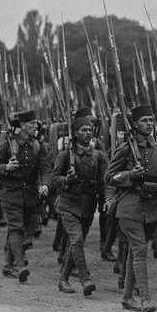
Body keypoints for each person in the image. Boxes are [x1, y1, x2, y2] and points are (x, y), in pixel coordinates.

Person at [105, 104, 157, 312]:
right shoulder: (126, 148)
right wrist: (130, 174)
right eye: (145, 120)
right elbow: (109, 177)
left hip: (152, 208)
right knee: (139, 249)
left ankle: (127, 297)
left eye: (151, 120)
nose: (149, 124)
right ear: (135, 124)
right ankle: (145, 298)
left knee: (134, 251)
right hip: (129, 206)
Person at [0, 109, 52, 282]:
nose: (36, 126)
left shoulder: (39, 146)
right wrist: (6, 168)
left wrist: (45, 184)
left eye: (36, 123)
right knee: (17, 228)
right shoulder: (8, 144)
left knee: (20, 229)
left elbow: (45, 169)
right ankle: (19, 266)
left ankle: (7, 266)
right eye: (32, 124)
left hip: (29, 195)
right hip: (9, 194)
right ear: (23, 126)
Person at [52, 109, 107, 295]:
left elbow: (104, 181)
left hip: (88, 205)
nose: (88, 133)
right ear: (75, 133)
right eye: (83, 130)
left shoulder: (98, 156)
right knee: (76, 240)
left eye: (90, 130)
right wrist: (66, 180)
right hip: (68, 204)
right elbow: (54, 179)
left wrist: (107, 199)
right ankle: (85, 279)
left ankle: (63, 279)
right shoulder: (66, 156)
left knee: (76, 243)